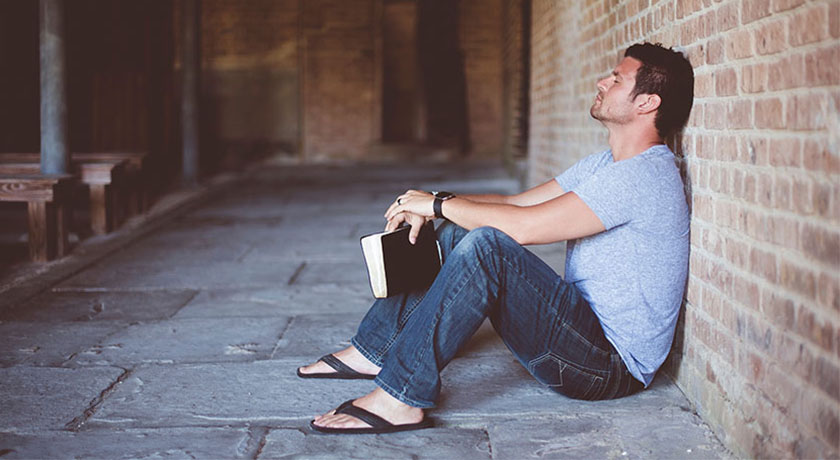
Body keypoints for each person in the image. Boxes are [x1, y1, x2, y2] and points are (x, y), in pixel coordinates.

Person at [298, 42, 695, 434]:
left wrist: (435, 205)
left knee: (487, 247)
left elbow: (524, 229)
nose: (601, 81)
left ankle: (400, 396)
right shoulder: (605, 164)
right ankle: (375, 350)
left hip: (606, 367)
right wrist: (433, 202)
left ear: (647, 103)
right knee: (460, 228)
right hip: (580, 331)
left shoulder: (643, 176)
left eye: (616, 78)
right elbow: (514, 203)